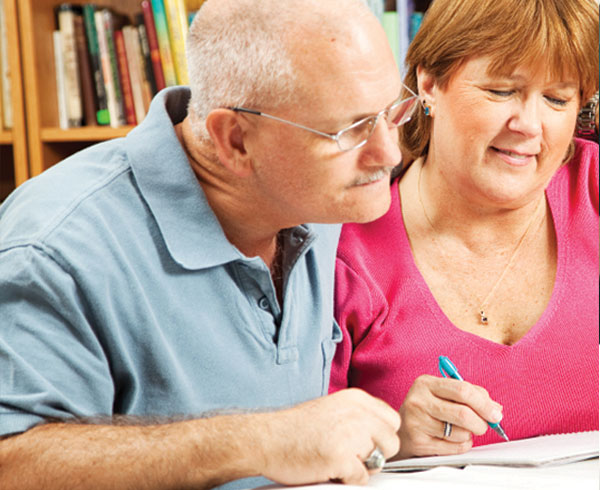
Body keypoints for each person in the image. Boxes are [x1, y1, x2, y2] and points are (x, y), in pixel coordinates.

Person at [0, 0, 420, 487]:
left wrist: (389, 433)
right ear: (236, 140)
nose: (389, 152)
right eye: (349, 131)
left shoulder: (312, 200)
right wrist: (258, 441)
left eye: (393, 112)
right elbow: (11, 461)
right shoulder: (53, 249)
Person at [330, 0, 599, 460]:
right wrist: (388, 443)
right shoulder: (344, 250)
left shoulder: (592, 189)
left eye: (557, 99)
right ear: (429, 84)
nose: (529, 126)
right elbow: (296, 451)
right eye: (501, 91)